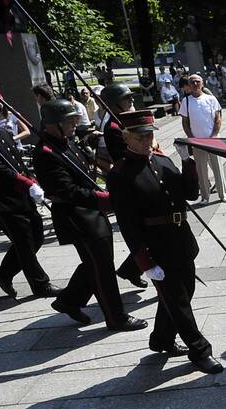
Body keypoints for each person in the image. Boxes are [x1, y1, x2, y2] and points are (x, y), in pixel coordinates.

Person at [106, 110, 223, 374]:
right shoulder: (120, 174)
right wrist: (144, 262)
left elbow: (191, 194)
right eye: (140, 137)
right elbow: (127, 224)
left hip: (181, 240)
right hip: (156, 246)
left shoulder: (162, 160)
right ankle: (199, 349)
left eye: (149, 135)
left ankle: (161, 338)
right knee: (178, 301)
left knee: (183, 293)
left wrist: (187, 161)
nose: (147, 141)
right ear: (127, 138)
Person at [32, 99, 147, 332]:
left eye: (75, 120)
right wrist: (104, 200)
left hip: (91, 212)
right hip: (77, 216)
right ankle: (116, 318)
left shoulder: (65, 142)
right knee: (102, 269)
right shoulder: (46, 152)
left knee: (94, 263)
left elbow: (84, 174)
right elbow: (66, 191)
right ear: (53, 124)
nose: (75, 124)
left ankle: (69, 300)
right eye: (69, 121)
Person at [0, 93, 59, 299]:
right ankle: (40, 285)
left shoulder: (3, 133)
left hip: (21, 195)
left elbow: (16, 162)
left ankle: (4, 272)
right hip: (2, 199)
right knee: (24, 243)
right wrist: (26, 184)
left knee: (36, 238)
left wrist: (31, 180)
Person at [97, 83, 150, 290]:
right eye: (126, 99)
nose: (131, 102)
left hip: (140, 174)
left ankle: (131, 269)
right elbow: (126, 157)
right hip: (131, 181)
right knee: (145, 231)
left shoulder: (125, 122)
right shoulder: (114, 127)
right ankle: (132, 268)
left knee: (150, 233)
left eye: (130, 98)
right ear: (114, 104)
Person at [180, 74, 226, 204]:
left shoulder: (211, 99)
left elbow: (218, 119)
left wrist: (214, 135)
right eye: (192, 82)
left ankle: (223, 194)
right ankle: (205, 197)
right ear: (189, 85)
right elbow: (185, 121)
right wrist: (190, 137)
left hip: (213, 140)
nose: (195, 84)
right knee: (201, 170)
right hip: (197, 141)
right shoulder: (186, 101)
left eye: (197, 82)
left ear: (202, 84)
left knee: (217, 167)